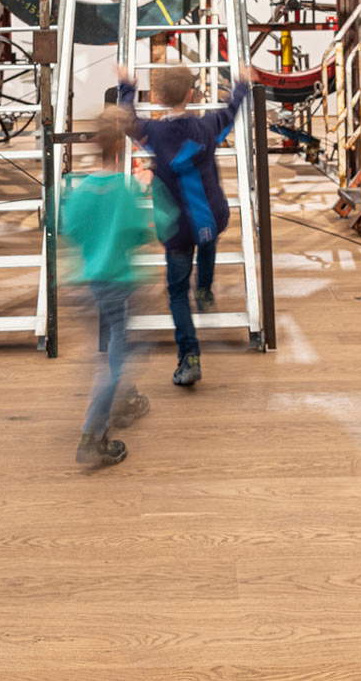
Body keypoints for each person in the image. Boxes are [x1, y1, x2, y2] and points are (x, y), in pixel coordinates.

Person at [114, 64, 252, 389]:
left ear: (159, 98)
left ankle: (189, 356)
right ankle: (205, 289)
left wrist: (126, 87)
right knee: (208, 241)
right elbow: (232, 111)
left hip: (176, 228)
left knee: (177, 292)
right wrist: (242, 85)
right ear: (192, 95)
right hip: (209, 217)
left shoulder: (154, 134)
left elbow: (127, 120)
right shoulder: (207, 126)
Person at [60, 106, 153, 469]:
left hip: (86, 282)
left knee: (109, 347)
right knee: (120, 356)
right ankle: (92, 434)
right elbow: (140, 233)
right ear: (122, 147)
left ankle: (124, 400)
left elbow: (72, 229)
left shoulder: (81, 191)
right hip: (118, 281)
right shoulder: (123, 191)